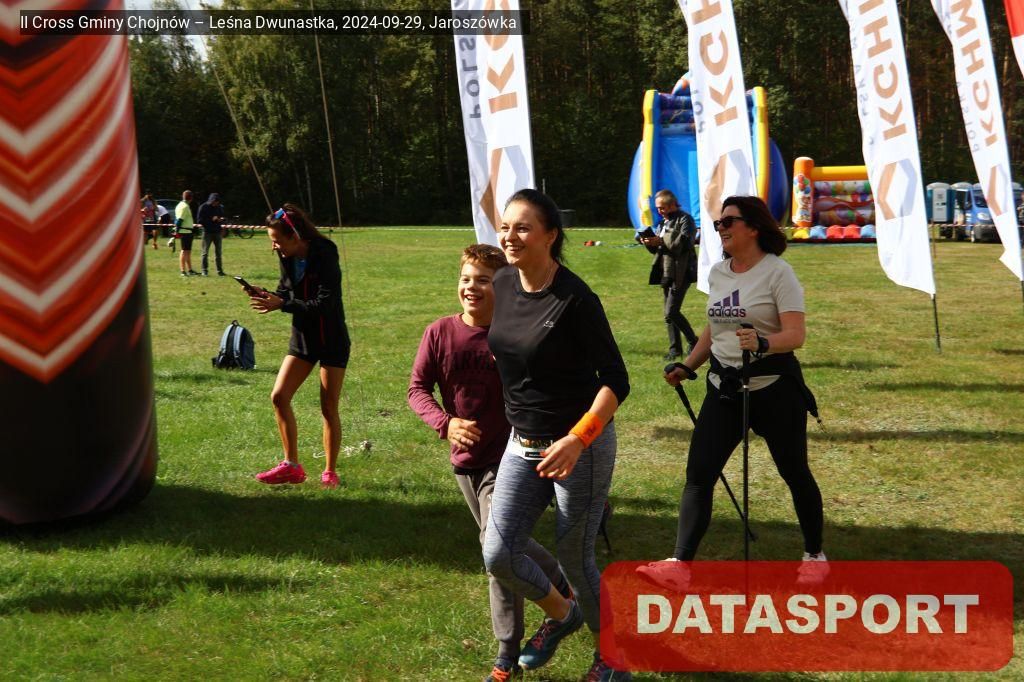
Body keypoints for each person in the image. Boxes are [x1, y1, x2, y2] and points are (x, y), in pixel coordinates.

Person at [638, 195, 826, 588]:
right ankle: (680, 565)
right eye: (718, 223)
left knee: (794, 472)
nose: (720, 229)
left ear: (753, 228)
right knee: (699, 474)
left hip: (774, 390)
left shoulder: (778, 273)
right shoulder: (719, 273)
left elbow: (796, 334)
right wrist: (688, 365)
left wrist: (763, 342)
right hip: (724, 390)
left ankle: (814, 555)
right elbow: (714, 328)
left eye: (728, 222)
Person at [482, 189, 631, 681]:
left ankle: (613, 659)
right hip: (522, 443)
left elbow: (616, 381)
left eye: (523, 227)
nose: (510, 236)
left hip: (579, 447)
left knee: (574, 555)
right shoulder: (504, 282)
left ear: (550, 236)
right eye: (506, 227)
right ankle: (564, 614)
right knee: (498, 552)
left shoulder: (576, 299)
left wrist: (578, 439)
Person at [408, 244, 572, 682]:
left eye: (482, 280)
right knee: (506, 545)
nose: (471, 287)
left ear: (503, 287)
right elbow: (417, 389)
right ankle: (562, 581)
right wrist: (445, 423)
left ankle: (506, 654)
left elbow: (548, 389)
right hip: (465, 461)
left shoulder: (513, 335)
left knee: (494, 550)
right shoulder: (439, 332)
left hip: (511, 456)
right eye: (465, 278)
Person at [250, 203, 350, 489]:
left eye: (277, 241)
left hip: (331, 339)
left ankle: (330, 471)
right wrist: (268, 295)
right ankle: (291, 466)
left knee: (328, 406)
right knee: (279, 396)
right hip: (303, 339)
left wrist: (283, 304)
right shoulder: (287, 256)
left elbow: (324, 303)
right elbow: (285, 291)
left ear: (295, 236)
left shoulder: (325, 253)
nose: (274, 247)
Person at [640, 189, 698, 360]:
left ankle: (694, 341)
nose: (659, 211)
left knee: (672, 311)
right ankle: (675, 350)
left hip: (683, 271)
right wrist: (650, 243)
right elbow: (659, 250)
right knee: (668, 315)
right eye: (658, 208)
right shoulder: (662, 223)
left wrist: (661, 239)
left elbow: (685, 243)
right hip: (666, 271)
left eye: (662, 207)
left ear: (672, 205)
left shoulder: (685, 219)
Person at [197, 192, 227, 276]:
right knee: (205, 252)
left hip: (217, 232)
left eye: (217, 202)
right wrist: (211, 219)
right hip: (207, 232)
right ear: (211, 200)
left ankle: (220, 271)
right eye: (214, 202)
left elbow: (223, 217)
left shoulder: (219, 207)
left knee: (218, 252)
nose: (216, 203)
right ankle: (204, 270)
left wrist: (221, 219)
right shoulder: (203, 207)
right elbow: (199, 220)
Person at [174, 190, 198, 276]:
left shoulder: (180, 205)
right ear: (191, 198)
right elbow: (179, 220)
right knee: (184, 251)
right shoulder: (184, 206)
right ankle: (183, 271)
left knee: (188, 251)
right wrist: (176, 231)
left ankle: (190, 270)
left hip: (187, 231)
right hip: (185, 231)